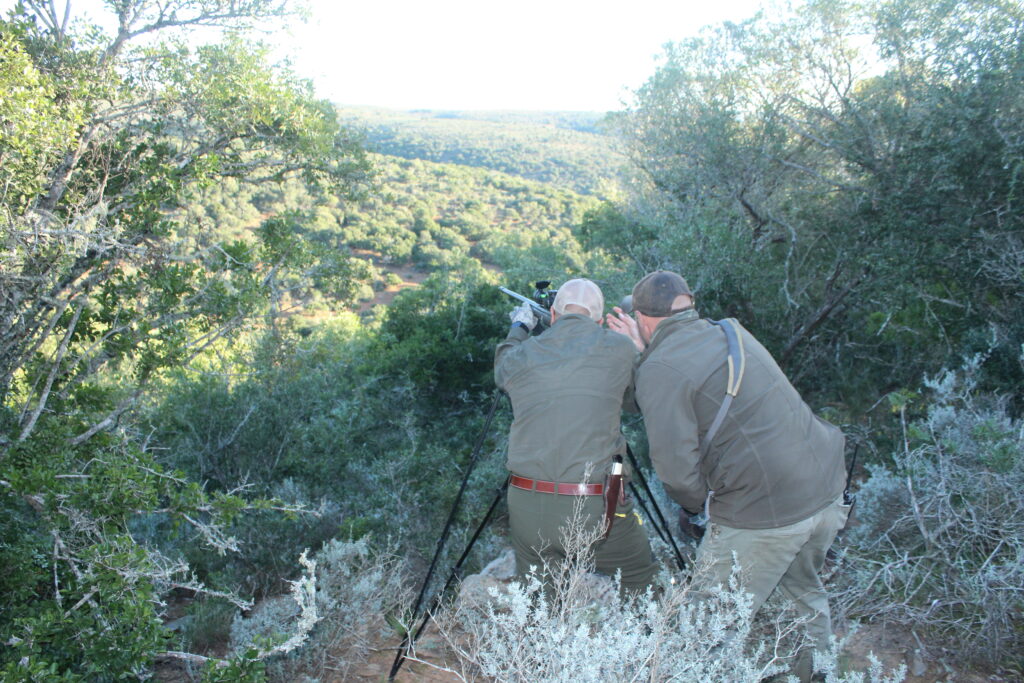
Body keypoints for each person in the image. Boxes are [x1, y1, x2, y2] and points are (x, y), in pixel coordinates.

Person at [608, 270, 849, 682]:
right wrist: (646, 355)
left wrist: (697, 509)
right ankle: (818, 673)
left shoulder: (662, 367)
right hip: (824, 488)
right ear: (688, 305)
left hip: (764, 510)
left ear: (644, 320)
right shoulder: (731, 331)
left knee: (708, 624)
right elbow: (677, 382)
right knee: (802, 596)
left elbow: (677, 474)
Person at [495, 278, 658, 596]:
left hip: (527, 504)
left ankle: (542, 627)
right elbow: (638, 400)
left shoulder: (522, 355)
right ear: (598, 322)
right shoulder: (620, 349)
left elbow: (502, 369)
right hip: (596, 506)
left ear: (553, 316)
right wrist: (641, 348)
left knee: (539, 598)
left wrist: (519, 327)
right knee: (641, 578)